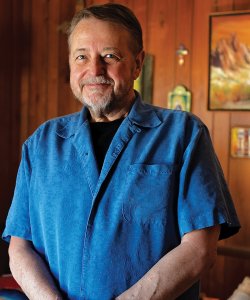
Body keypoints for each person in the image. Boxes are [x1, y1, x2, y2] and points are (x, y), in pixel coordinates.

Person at [2, 3, 240, 300]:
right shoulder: (41, 144)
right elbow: (19, 245)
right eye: (81, 57)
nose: (94, 70)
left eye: (110, 56)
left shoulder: (184, 134)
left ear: (137, 64)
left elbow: (200, 248)